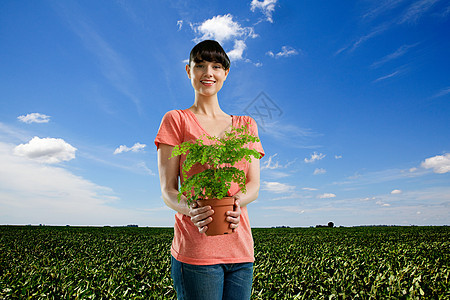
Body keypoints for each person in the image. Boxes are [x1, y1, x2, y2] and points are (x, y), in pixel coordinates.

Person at [154, 40, 264, 300]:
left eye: (216, 66)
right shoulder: (176, 120)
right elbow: (168, 190)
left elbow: (253, 185)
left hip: (241, 251)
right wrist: (191, 209)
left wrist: (237, 202)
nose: (208, 73)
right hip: (196, 252)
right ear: (188, 71)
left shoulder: (246, 125)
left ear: (226, 73)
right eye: (200, 65)